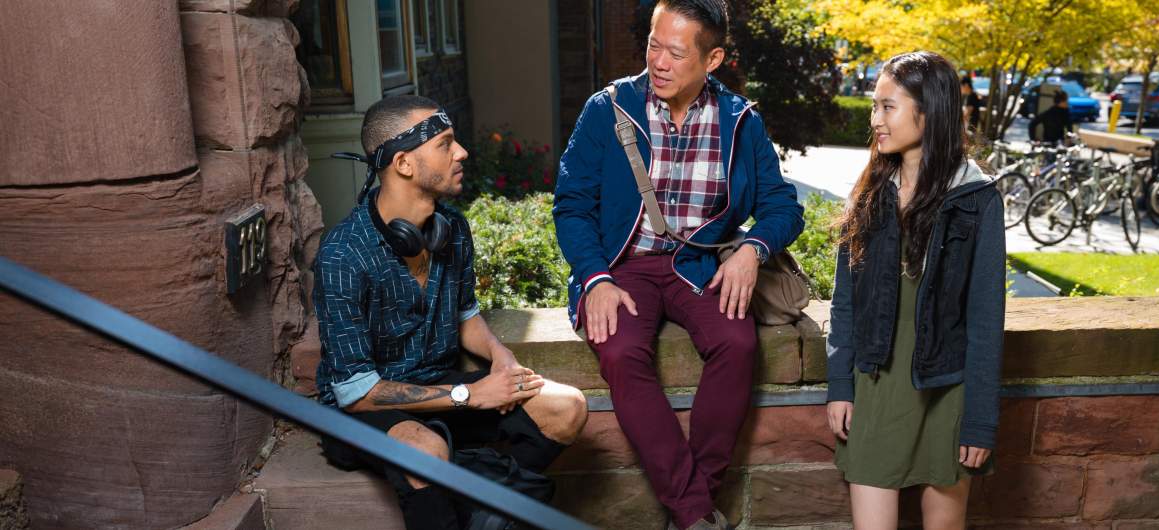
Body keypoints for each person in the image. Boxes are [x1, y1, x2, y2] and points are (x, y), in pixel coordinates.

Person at [553, 0, 804, 527]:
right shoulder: (609, 108)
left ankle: (693, 507)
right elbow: (572, 205)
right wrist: (594, 278)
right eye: (652, 44)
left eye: (674, 51)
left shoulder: (740, 121)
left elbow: (783, 207)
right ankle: (696, 514)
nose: (657, 62)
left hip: (697, 266)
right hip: (622, 267)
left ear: (711, 60)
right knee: (620, 353)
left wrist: (753, 252)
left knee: (737, 343)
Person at [313, 95, 589, 530]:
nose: (461, 152)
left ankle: (482, 512)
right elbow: (355, 392)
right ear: (403, 163)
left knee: (567, 407)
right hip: (366, 410)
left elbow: (465, 316)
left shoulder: (452, 228)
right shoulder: (343, 254)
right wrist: (470, 395)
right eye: (445, 144)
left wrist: (501, 358)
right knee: (425, 450)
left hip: (437, 387)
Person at [826, 50, 1005, 530]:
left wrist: (980, 421)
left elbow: (987, 320)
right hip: (877, 382)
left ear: (928, 111)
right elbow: (845, 302)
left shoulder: (977, 200)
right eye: (874, 106)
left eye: (888, 106)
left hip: (947, 389)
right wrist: (840, 385)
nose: (874, 119)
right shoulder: (869, 193)